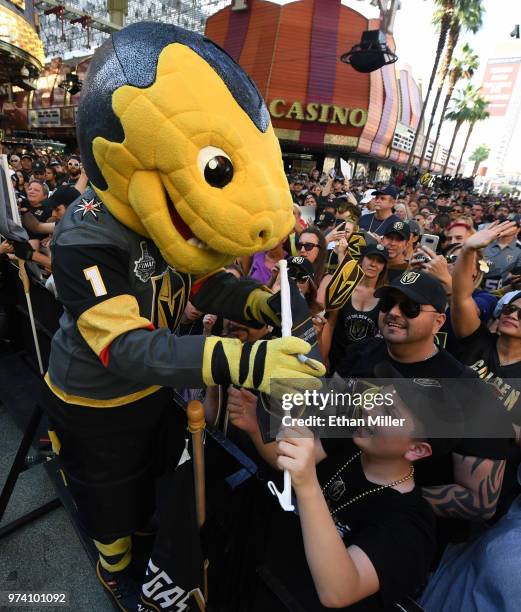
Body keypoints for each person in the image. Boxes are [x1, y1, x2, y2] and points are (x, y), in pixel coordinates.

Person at [228, 380, 437, 611]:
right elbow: (287, 465)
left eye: (388, 412)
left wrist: (307, 484)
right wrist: (257, 427)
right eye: (379, 397)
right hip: (252, 579)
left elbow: (338, 591)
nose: (369, 408)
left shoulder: (412, 526)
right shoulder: (351, 436)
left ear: (416, 450)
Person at [335, 271, 510, 524]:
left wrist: (380, 494)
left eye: (410, 307)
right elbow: (326, 414)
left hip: (393, 531)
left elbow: (480, 501)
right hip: (324, 496)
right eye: (387, 304)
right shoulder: (362, 351)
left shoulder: (470, 392)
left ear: (439, 322)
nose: (394, 312)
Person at [322, 243, 388, 372]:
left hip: (364, 365)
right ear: (362, 259)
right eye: (370, 258)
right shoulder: (345, 288)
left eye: (379, 261)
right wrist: (323, 357)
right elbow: (330, 325)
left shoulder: (385, 296)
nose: (374, 264)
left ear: (384, 267)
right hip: (337, 358)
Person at [482, 219, 521, 292]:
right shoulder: (485, 242)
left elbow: (517, 276)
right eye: (504, 225)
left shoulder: (519, 249)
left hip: (502, 292)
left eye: (511, 226)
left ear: (518, 229)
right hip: (475, 287)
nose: (506, 228)